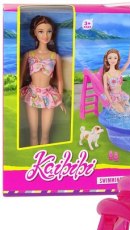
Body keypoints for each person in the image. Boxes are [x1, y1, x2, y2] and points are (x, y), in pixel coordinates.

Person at [20, 15, 66, 146]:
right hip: (32, 94)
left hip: (48, 95)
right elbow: (21, 76)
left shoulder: (54, 56)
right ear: (34, 32)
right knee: (33, 133)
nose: (45, 35)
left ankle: (44, 156)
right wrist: (16, 92)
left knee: (45, 134)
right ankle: (33, 156)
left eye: (49, 31)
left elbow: (60, 80)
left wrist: (60, 99)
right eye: (41, 31)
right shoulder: (29, 55)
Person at [102, 41, 130, 115]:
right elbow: (105, 89)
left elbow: (128, 61)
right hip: (113, 98)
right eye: (110, 58)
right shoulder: (106, 75)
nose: (112, 60)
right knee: (123, 113)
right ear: (106, 59)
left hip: (121, 95)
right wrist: (110, 101)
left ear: (117, 59)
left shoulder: (119, 72)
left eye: (115, 58)